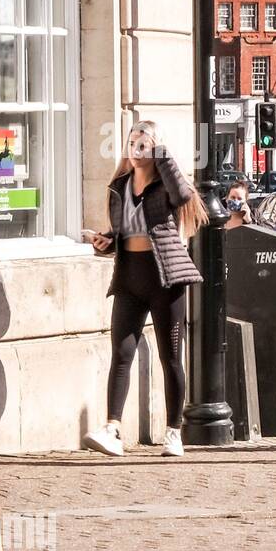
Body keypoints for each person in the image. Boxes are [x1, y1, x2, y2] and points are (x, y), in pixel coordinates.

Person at [82, 121, 206, 459]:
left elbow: (183, 197)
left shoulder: (165, 183)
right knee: (121, 353)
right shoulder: (119, 186)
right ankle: (112, 428)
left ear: (156, 148)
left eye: (144, 142)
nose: (136, 148)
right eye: (132, 140)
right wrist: (106, 241)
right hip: (129, 277)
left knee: (170, 358)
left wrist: (162, 154)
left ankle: (173, 431)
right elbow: (122, 232)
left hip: (164, 278)